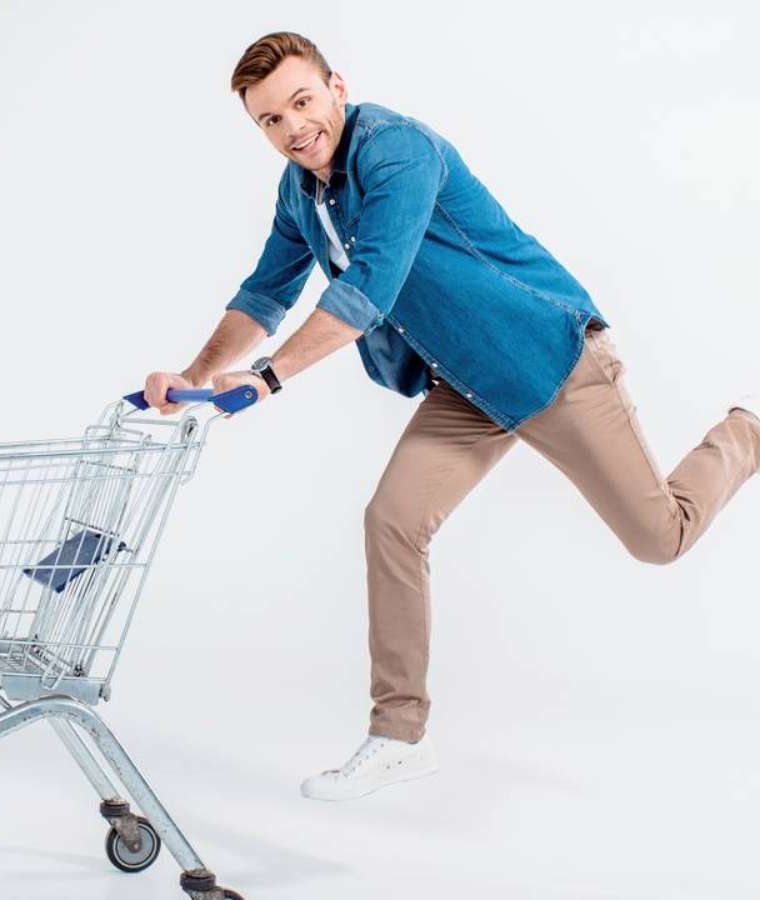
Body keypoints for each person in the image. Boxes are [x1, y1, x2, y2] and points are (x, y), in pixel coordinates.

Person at [142, 31, 760, 802]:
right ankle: (399, 734)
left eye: (302, 102)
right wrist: (195, 375)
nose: (293, 127)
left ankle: (749, 431)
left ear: (338, 87)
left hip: (546, 361)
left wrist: (269, 377)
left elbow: (369, 287)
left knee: (659, 538)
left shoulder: (397, 150)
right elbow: (266, 293)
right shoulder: (300, 193)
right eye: (270, 119)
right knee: (393, 521)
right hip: (465, 385)